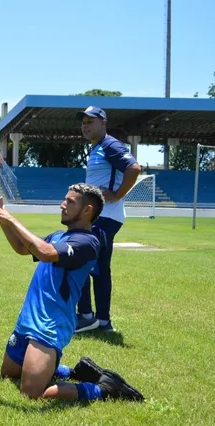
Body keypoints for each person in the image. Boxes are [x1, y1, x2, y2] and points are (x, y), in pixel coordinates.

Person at [0, 183, 143, 403]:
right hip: (27, 321)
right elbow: (23, 248)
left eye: (70, 202)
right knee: (9, 375)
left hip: (50, 326)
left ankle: (104, 388)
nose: (62, 205)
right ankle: (70, 371)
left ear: (87, 210)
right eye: (64, 199)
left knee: (32, 393)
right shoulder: (58, 236)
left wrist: (11, 219)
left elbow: (45, 253)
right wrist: (3, 221)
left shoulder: (88, 242)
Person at [75, 106, 142, 333]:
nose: (85, 125)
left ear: (103, 123)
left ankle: (88, 317)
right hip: (99, 217)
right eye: (83, 122)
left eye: (90, 122)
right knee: (96, 266)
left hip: (106, 217)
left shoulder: (110, 145)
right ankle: (101, 322)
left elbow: (133, 168)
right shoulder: (96, 148)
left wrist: (118, 194)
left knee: (83, 263)